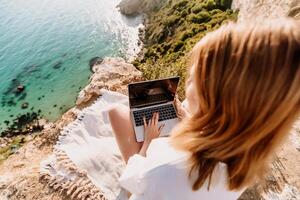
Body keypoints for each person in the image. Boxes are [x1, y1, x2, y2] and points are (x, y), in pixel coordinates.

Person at [108, 19, 300, 200]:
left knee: (115, 111)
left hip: (151, 184)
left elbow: (132, 178)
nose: (187, 83)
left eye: (193, 79)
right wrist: (187, 117)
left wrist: (148, 142)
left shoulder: (166, 167)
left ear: (215, 99)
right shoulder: (248, 158)